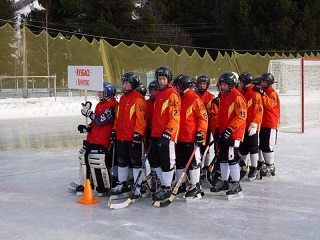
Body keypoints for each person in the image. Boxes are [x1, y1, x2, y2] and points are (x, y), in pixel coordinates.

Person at [110, 72, 147, 200]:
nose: (124, 86)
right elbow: (118, 117)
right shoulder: (122, 99)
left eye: (127, 83)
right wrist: (114, 130)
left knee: (136, 161)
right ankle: (122, 183)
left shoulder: (138, 99)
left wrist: (138, 133)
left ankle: (138, 186)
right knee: (122, 161)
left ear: (133, 84)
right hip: (121, 136)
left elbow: (141, 119)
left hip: (132, 137)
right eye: (123, 83)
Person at [210, 72, 247, 200]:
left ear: (231, 85)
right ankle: (224, 181)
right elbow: (221, 116)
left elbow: (241, 116)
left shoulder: (237, 97)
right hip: (224, 133)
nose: (222, 86)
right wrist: (218, 130)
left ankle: (236, 184)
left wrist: (230, 130)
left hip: (234, 134)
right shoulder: (223, 97)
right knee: (223, 157)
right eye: (221, 84)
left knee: (232, 158)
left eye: (225, 84)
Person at [79, 82, 118, 196]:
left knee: (97, 161)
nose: (99, 94)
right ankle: (88, 184)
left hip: (103, 139)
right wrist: (88, 128)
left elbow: (101, 120)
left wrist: (89, 113)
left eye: (102, 92)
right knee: (84, 158)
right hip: (94, 138)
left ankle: (103, 186)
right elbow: (95, 123)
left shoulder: (112, 106)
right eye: (99, 92)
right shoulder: (99, 105)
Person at [174, 74, 208, 201]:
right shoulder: (178, 98)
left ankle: (195, 186)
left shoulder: (195, 99)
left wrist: (200, 133)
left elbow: (203, 117)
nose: (175, 88)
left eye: (177, 85)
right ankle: (181, 185)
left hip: (190, 138)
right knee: (180, 163)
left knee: (193, 163)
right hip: (179, 137)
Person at [149, 66, 181, 202]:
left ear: (168, 79)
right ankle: (164, 184)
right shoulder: (159, 94)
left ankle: (167, 187)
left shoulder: (172, 94)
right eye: (159, 79)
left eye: (163, 79)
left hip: (167, 135)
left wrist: (168, 133)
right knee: (155, 161)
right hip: (156, 134)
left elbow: (174, 117)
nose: (161, 81)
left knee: (166, 161)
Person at [253, 72, 280, 177]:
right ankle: (263, 162)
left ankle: (270, 165)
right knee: (262, 144)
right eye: (262, 81)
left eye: (265, 82)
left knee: (268, 145)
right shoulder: (263, 91)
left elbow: (269, 104)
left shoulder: (272, 93)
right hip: (262, 122)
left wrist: (262, 93)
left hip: (270, 123)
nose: (263, 83)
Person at [238, 72, 263, 180]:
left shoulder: (255, 94)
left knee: (253, 148)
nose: (239, 83)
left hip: (251, 126)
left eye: (240, 81)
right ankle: (243, 167)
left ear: (244, 82)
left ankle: (254, 167)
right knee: (243, 148)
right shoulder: (242, 92)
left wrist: (254, 123)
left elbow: (259, 110)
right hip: (243, 126)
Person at [195, 75, 215, 180]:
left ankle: (205, 167)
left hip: (207, 126)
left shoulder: (211, 97)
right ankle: (197, 167)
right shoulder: (194, 96)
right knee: (198, 148)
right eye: (201, 84)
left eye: (204, 84)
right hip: (197, 126)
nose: (202, 86)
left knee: (206, 147)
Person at [145, 80, 160, 192]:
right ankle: (154, 178)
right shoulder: (146, 103)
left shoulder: (161, 102)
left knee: (162, 158)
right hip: (149, 134)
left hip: (160, 134)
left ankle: (161, 178)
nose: (153, 93)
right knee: (152, 158)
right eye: (152, 90)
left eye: (156, 90)